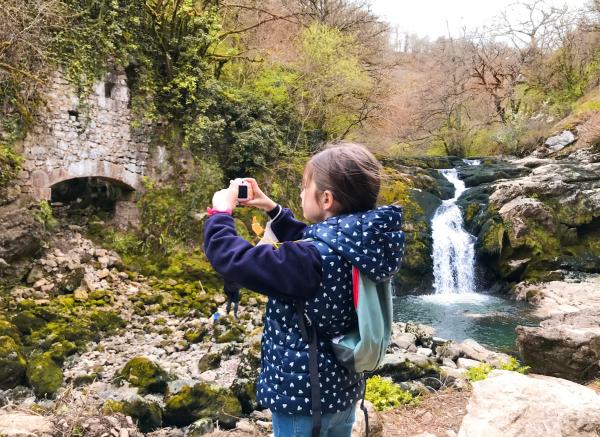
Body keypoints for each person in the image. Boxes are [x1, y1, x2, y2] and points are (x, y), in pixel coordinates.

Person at [203, 143, 404, 437]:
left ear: (326, 198)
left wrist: (221, 213)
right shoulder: (365, 247)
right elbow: (322, 240)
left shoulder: (309, 260)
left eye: (304, 186)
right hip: (344, 393)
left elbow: (233, 259)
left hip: (303, 403)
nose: (299, 193)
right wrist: (272, 209)